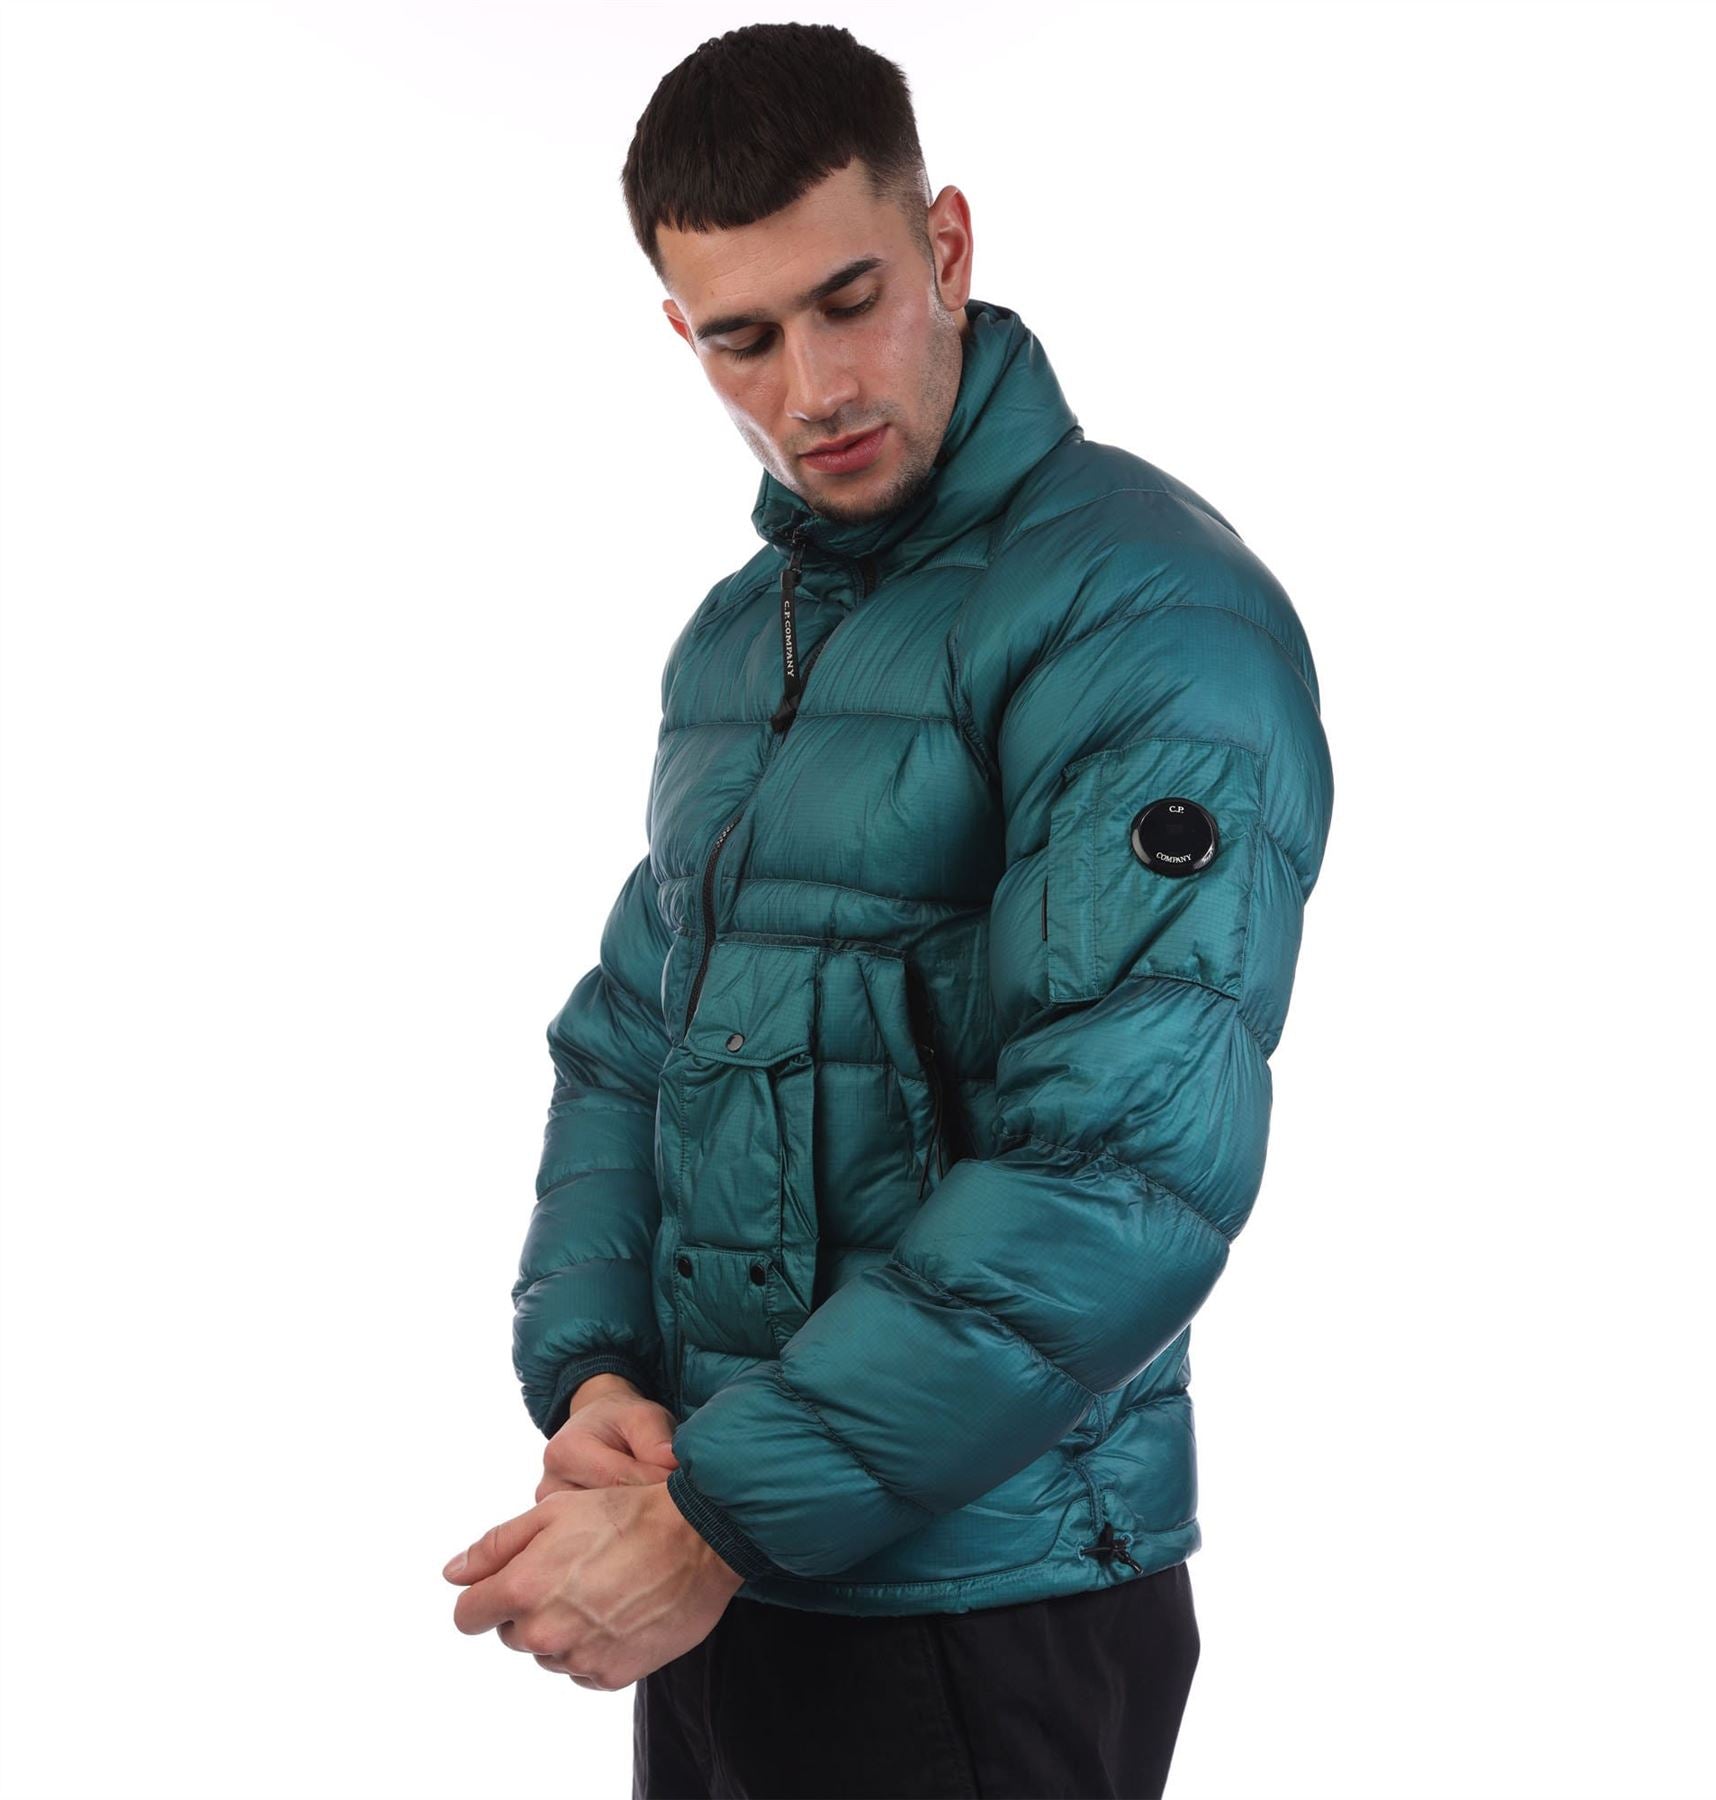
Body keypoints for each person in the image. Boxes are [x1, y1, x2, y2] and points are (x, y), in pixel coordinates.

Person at [442, 22, 1334, 1798]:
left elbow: (1122, 1169)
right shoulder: (743, 634)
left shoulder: (1145, 615)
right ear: (682, 335)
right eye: (744, 339)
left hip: (981, 1605)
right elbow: (632, 1038)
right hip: (732, 1572)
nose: (813, 389)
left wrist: (722, 1511)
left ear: (945, 245)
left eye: (849, 300)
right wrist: (600, 1379)